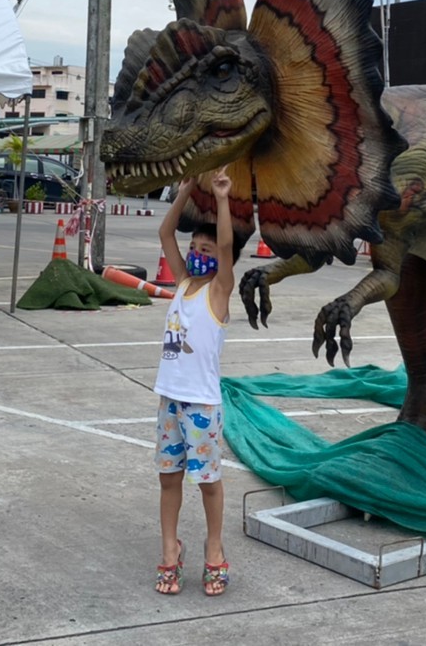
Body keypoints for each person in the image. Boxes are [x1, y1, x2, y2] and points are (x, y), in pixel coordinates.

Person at [153, 170, 235, 597]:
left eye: (207, 249)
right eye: (195, 248)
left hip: (201, 406)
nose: (200, 253)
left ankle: (214, 548)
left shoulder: (218, 292)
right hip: (170, 401)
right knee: (170, 478)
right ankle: (171, 549)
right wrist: (185, 191)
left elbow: (225, 244)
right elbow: (165, 231)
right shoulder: (184, 284)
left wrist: (221, 199)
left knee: (207, 481)